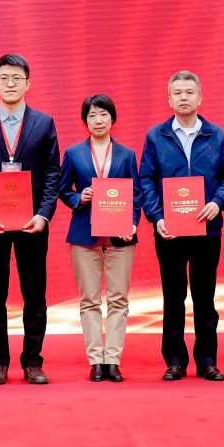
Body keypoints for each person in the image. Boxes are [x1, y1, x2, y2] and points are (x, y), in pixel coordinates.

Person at [0, 54, 61, 385]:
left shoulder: (44, 123)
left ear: (28, 83)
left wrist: (43, 214)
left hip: (32, 223)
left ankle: (33, 361)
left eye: (16, 78)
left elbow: (52, 173)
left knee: (35, 294)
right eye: (4, 78)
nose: (10, 83)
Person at [139, 71, 224, 382]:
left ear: (200, 98)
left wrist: (218, 201)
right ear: (169, 99)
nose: (184, 97)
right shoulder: (156, 136)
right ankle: (175, 361)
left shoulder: (217, 135)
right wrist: (157, 217)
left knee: (205, 298)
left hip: (207, 229)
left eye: (189, 92)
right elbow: (146, 180)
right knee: (173, 297)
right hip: (169, 231)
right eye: (178, 93)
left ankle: (208, 361)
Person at [59, 94, 140, 382]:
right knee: (89, 300)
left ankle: (113, 359)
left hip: (120, 236)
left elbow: (136, 193)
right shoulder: (73, 153)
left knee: (119, 299)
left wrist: (132, 223)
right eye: (92, 115)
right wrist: (79, 197)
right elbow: (62, 190)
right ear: (85, 120)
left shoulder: (127, 155)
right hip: (84, 235)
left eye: (103, 114)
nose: (98, 120)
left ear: (112, 118)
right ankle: (96, 359)